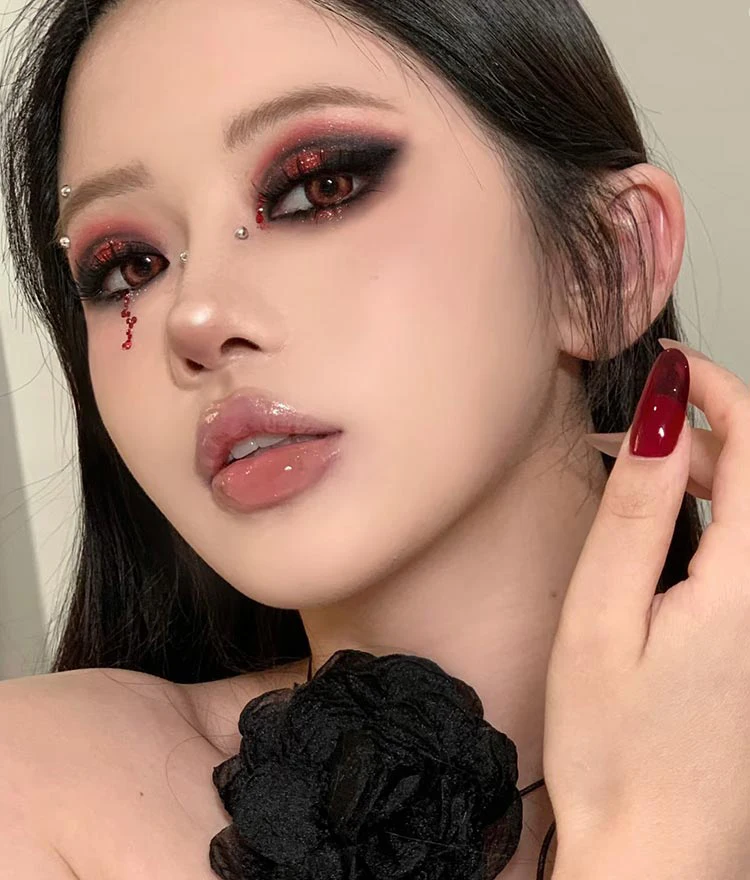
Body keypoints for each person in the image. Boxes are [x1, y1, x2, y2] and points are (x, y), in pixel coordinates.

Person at [1, 0, 748, 878]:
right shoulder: (39, 793)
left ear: (603, 263)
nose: (193, 318)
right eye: (131, 265)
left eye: (319, 188)